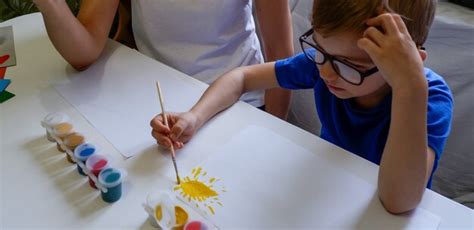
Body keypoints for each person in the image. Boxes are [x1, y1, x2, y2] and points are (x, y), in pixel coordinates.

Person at [150, 0, 453, 214]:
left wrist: (409, 88)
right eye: (319, 50)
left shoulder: (428, 98)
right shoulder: (325, 63)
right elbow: (241, 77)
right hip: (321, 193)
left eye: (350, 66)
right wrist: (194, 116)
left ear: (410, 62)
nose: (327, 73)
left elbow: (397, 201)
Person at [32, 0, 293, 119]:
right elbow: (84, 53)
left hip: (238, 102)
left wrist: (274, 126)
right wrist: (50, 5)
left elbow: (280, 51)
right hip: (156, 101)